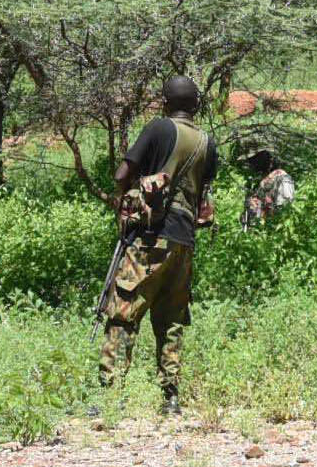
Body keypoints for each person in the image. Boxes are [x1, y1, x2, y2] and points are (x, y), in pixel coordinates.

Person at [98, 75, 218, 415]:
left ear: (164, 102)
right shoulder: (207, 142)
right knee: (171, 320)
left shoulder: (159, 128)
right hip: (185, 243)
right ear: (195, 105)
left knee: (123, 314)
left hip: (151, 239)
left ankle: (110, 398)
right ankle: (171, 398)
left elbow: (122, 176)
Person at [240, 148, 295, 231]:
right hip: (257, 230)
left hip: (271, 232)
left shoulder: (282, 178)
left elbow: (284, 208)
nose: (252, 164)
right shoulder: (262, 178)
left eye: (255, 160)